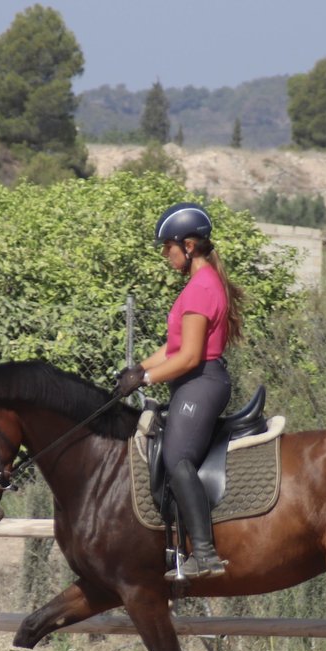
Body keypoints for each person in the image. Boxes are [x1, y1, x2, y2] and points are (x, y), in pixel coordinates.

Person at [114, 202, 244, 580]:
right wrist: (139, 368)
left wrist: (147, 380)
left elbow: (188, 358)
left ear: (188, 245)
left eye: (167, 246)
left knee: (177, 457)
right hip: (194, 380)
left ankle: (204, 553)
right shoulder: (198, 285)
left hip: (201, 382)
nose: (164, 254)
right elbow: (172, 349)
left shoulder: (202, 288)